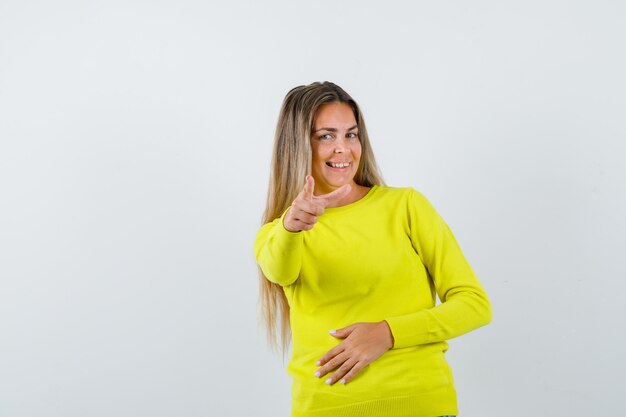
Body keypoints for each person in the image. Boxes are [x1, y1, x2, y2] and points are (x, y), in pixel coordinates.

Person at [253, 81, 492, 417]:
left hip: (421, 406)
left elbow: (474, 305)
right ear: (298, 145)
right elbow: (279, 268)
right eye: (326, 136)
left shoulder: (406, 206)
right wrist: (292, 225)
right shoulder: (279, 234)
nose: (343, 148)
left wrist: (388, 333)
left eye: (351, 134)